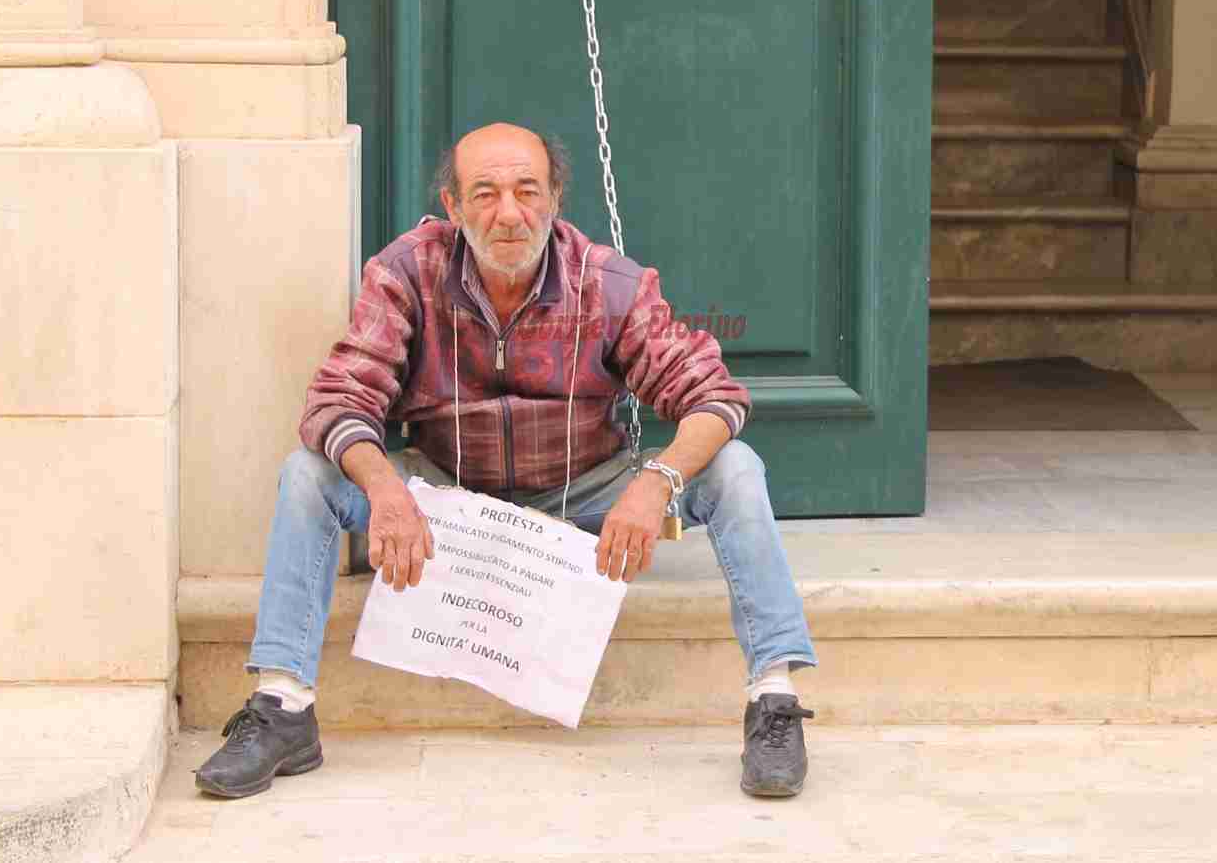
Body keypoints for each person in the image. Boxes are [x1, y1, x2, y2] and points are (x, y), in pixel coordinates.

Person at [195, 122, 818, 799]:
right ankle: (284, 706)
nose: (509, 214)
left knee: (737, 468)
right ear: (453, 206)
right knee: (307, 474)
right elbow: (340, 398)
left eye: (527, 190)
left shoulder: (609, 282)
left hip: (585, 499)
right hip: (448, 499)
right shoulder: (406, 272)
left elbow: (713, 395)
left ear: (555, 198)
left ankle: (773, 698)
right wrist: (387, 491)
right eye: (485, 194)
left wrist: (653, 481)